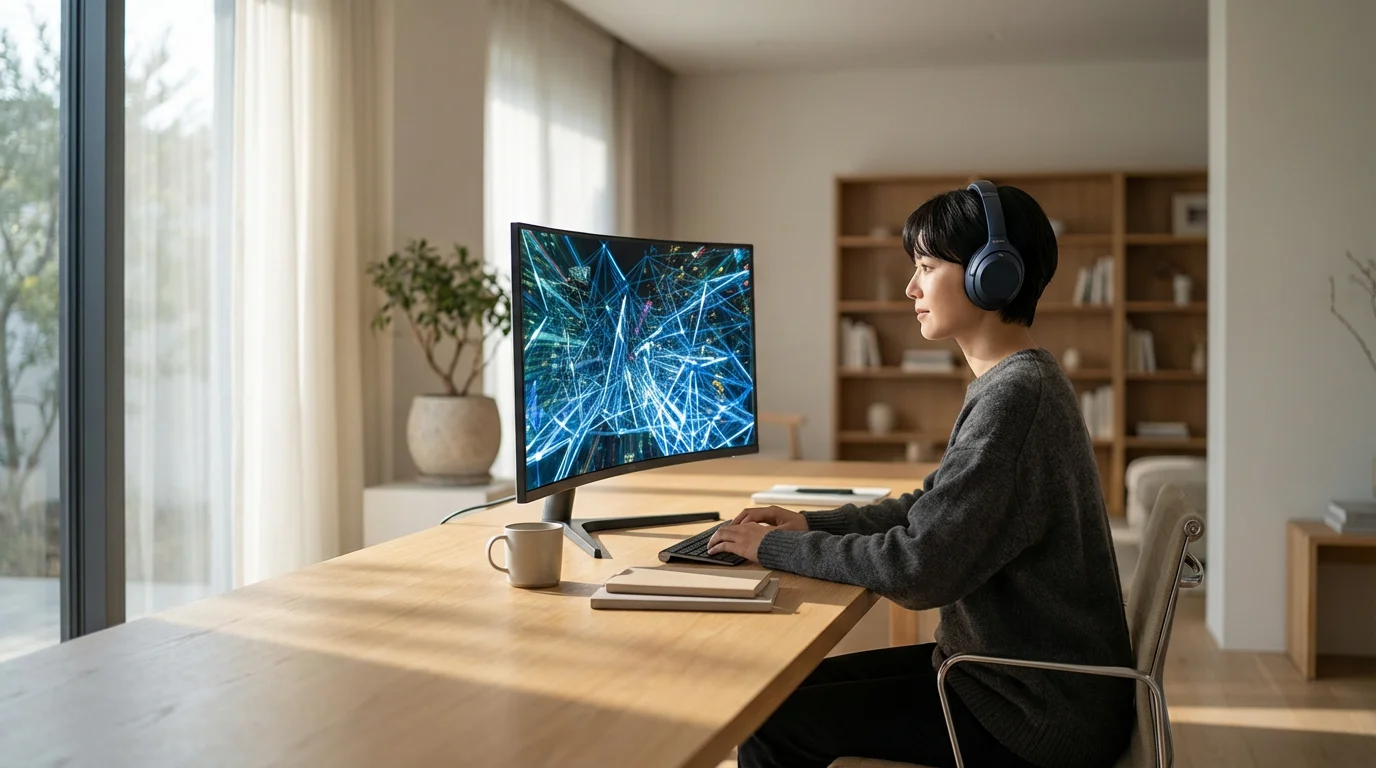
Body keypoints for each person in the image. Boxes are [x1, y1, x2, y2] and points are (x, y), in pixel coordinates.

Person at [708, 183, 1136, 768]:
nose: (910, 288)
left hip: (1029, 713)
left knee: (773, 719)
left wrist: (777, 547)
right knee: (780, 695)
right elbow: (930, 508)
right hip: (1011, 680)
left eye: (927, 267)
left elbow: (917, 570)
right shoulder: (1015, 382)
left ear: (994, 277)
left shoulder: (1015, 399)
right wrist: (812, 522)